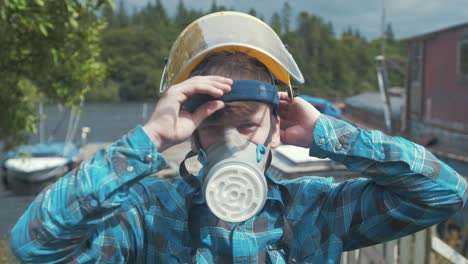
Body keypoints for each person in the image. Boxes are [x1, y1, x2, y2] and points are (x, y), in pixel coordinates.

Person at [10, 12, 467, 263]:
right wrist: (147, 139)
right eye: (212, 127)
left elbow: (444, 194)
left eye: (247, 127)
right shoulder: (149, 214)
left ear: (276, 125)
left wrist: (328, 135)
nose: (232, 142)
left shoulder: (313, 211)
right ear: (191, 135)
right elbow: (34, 244)